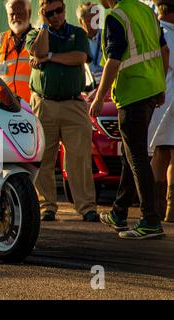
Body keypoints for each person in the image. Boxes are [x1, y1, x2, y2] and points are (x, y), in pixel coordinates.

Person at [90, 0, 170, 239]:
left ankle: (150, 221)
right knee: (130, 154)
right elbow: (164, 51)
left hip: (132, 93)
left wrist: (100, 95)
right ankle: (119, 213)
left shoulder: (116, 16)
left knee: (136, 157)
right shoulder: (146, 11)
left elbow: (113, 61)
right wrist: (160, 85)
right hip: (150, 91)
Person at [26, 0, 99, 222]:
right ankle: (46, 206)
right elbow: (38, 51)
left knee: (79, 159)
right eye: (50, 12)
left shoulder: (77, 33)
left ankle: (86, 207)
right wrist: (45, 28)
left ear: (64, 9)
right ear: (43, 13)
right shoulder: (35, 34)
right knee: (43, 158)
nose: (55, 15)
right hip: (43, 104)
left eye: (58, 10)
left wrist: (49, 58)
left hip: (73, 104)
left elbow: (80, 57)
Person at [148, 0, 174, 223]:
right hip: (165, 100)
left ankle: (161, 208)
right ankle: (163, 208)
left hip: (160, 100)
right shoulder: (164, 33)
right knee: (163, 152)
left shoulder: (155, 31)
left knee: (161, 152)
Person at [0, 0, 33, 103]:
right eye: (11, 14)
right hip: (4, 109)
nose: (15, 17)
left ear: (29, 13)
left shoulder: (38, 38)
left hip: (31, 109)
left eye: (19, 13)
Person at [77, 2, 104, 81]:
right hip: (88, 82)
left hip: (106, 80)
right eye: (90, 21)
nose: (94, 25)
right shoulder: (76, 40)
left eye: (97, 20)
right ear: (81, 21)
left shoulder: (106, 35)